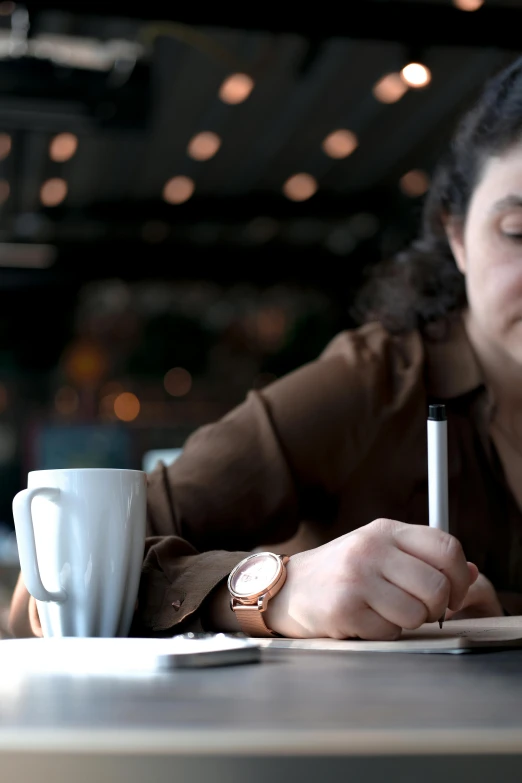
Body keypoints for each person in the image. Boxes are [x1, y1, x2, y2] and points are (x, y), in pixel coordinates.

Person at [10, 55, 522, 642]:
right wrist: (274, 591)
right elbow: (45, 589)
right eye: (519, 232)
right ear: (456, 236)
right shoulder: (372, 384)